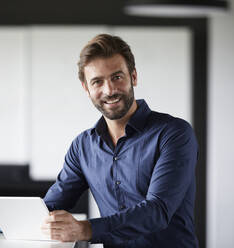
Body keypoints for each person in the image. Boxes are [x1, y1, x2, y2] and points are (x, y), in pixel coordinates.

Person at [42, 33, 199, 248]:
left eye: (117, 77)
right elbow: (51, 206)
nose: (109, 90)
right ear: (86, 89)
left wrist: (86, 229)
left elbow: (157, 211)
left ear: (133, 76)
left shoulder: (174, 134)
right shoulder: (82, 147)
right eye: (97, 82)